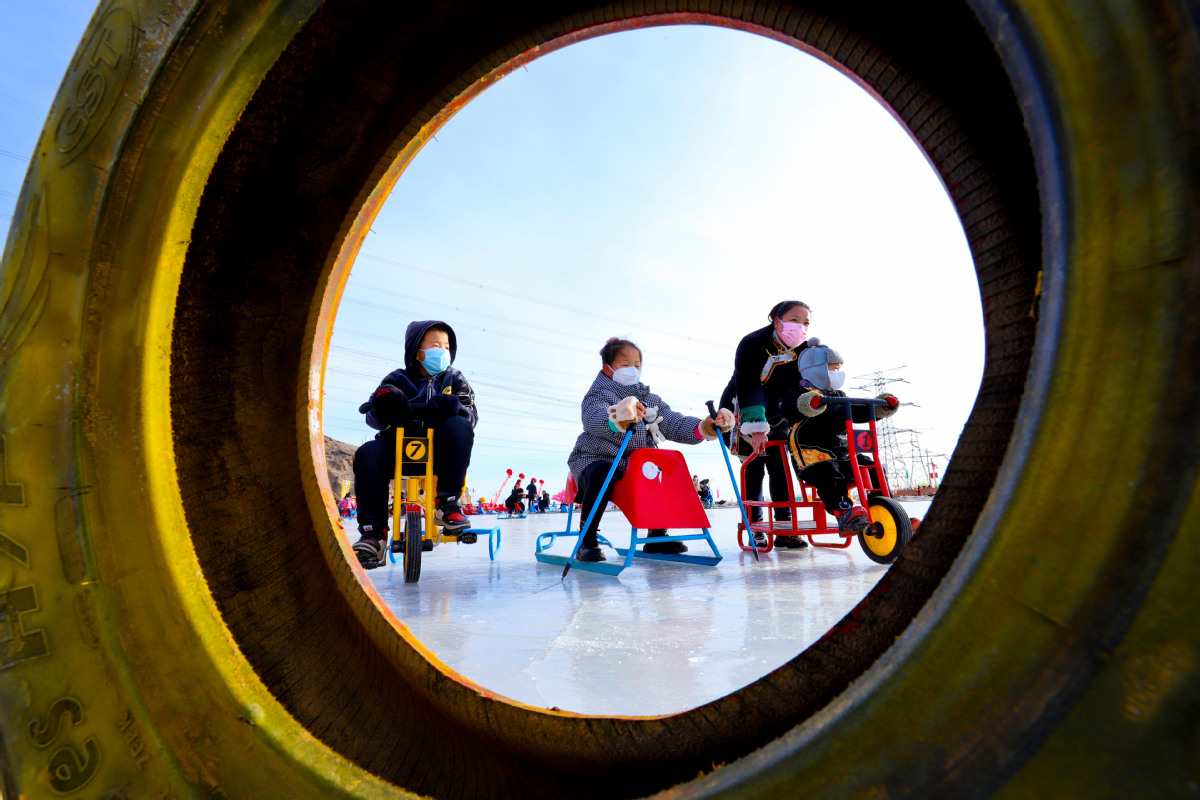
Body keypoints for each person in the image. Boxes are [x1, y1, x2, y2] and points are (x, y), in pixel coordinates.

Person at [567, 337, 735, 562]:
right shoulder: (599, 395)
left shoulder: (646, 398)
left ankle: (657, 535)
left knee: (661, 471)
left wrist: (703, 427)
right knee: (602, 472)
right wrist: (617, 418)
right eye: (625, 365)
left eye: (637, 365)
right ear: (607, 369)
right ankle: (586, 539)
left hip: (635, 464)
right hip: (596, 458)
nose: (633, 370)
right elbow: (593, 419)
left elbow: (672, 421)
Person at [350, 320, 477, 569]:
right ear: (417, 352)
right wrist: (385, 404)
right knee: (368, 454)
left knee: (459, 427)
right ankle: (374, 534)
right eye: (435, 346)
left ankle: (447, 503)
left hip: (439, 451)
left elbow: (471, 414)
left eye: (446, 347)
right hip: (397, 446)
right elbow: (373, 416)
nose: (443, 351)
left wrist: (455, 409)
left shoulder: (454, 378)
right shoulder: (397, 378)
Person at [730, 300, 821, 549]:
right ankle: (754, 526)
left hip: (779, 412)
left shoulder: (803, 350)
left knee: (780, 470)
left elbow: (807, 384)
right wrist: (757, 427)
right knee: (754, 469)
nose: (800, 327)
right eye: (794, 320)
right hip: (747, 408)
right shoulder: (752, 343)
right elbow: (748, 385)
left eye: (805, 322)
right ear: (778, 322)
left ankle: (785, 527)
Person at [789, 344, 898, 533]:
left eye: (839, 369)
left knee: (870, 465)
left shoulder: (838, 396)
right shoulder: (800, 393)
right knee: (829, 472)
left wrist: (879, 409)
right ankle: (843, 510)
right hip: (812, 458)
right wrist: (807, 404)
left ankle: (885, 509)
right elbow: (789, 410)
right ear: (817, 370)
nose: (837, 374)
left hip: (841, 455)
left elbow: (855, 411)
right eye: (833, 369)